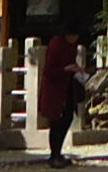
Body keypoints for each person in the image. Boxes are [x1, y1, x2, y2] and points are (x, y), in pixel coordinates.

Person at [40, 26, 87, 168]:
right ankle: (53, 155)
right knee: (56, 122)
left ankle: (58, 152)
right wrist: (65, 70)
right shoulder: (56, 44)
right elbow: (49, 70)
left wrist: (76, 69)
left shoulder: (72, 46)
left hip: (67, 87)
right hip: (55, 89)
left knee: (68, 117)